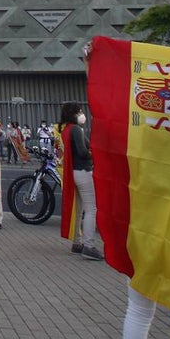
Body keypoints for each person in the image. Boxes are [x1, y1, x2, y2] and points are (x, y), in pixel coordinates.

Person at [58, 102, 102, 260]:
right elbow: (83, 152)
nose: (82, 114)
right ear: (74, 113)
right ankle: (89, 245)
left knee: (78, 208)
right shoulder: (76, 129)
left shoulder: (66, 129)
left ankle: (77, 242)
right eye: (80, 111)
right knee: (91, 209)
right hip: (83, 170)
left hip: (73, 172)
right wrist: (93, 154)